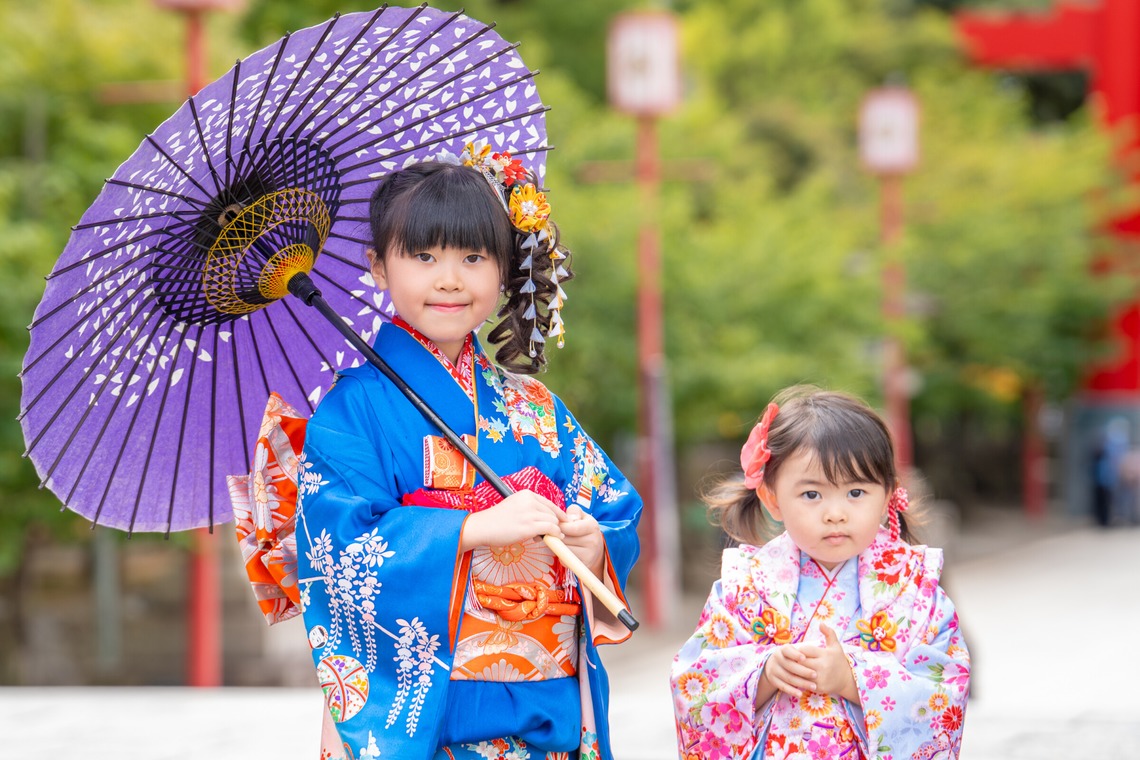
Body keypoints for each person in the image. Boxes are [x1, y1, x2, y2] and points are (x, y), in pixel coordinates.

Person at [293, 144, 642, 760]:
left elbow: (613, 506)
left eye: (474, 257)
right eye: (423, 256)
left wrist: (593, 544)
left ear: (504, 267)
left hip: (547, 710)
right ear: (379, 267)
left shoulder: (534, 404)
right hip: (427, 712)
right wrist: (470, 529)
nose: (449, 278)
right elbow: (337, 549)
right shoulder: (351, 411)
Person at [669, 387, 970, 760]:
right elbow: (694, 684)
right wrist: (762, 674)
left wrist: (853, 679)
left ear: (887, 496)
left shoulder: (914, 588)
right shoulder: (745, 586)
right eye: (812, 495)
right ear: (772, 499)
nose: (835, 514)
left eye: (856, 493)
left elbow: (945, 689)